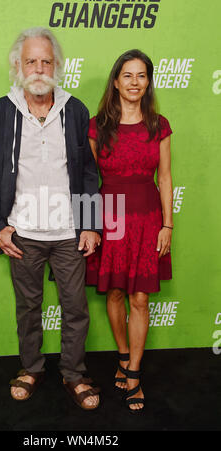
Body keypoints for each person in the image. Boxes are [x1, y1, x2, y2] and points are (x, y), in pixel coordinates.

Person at [0, 27, 102, 410]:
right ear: (18, 65)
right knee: (28, 308)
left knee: (76, 308)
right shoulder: (1, 110)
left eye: (46, 60)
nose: (38, 67)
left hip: (68, 232)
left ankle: (74, 374)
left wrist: (91, 224)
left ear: (57, 65)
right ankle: (30, 368)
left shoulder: (76, 109)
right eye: (31, 60)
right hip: (22, 233)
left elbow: (88, 173)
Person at [86, 49, 173, 413]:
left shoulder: (159, 125)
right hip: (111, 218)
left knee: (140, 298)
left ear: (148, 81)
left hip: (148, 217)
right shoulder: (96, 125)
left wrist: (168, 223)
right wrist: (90, 226)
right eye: (127, 75)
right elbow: (87, 180)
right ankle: (123, 355)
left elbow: (165, 177)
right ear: (116, 81)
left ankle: (134, 372)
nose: (135, 82)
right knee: (117, 292)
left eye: (141, 75)